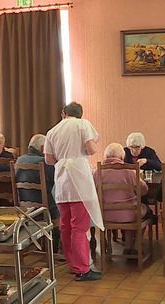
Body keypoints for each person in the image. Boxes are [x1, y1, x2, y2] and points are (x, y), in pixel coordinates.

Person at [45, 102, 103, 281]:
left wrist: (63, 156)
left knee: (66, 226)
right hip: (78, 177)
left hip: (62, 179)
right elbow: (92, 149)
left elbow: (48, 159)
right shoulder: (82, 124)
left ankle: (73, 264)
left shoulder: (52, 131)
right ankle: (83, 269)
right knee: (79, 226)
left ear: (63, 113)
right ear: (80, 114)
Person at [95, 143, 151, 255]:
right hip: (130, 214)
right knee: (143, 211)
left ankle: (127, 246)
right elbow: (144, 190)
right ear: (122, 157)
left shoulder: (97, 172)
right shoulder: (129, 171)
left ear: (106, 157)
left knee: (132, 210)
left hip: (104, 215)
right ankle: (134, 247)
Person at [16, 134, 60, 251]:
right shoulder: (44, 162)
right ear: (42, 148)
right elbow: (56, 179)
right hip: (45, 207)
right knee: (61, 207)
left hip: (24, 208)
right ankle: (53, 249)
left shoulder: (19, 160)